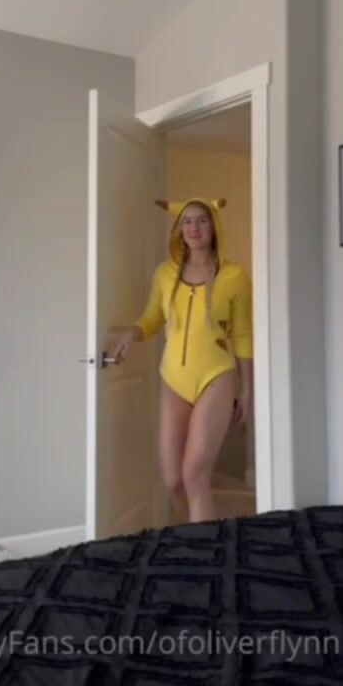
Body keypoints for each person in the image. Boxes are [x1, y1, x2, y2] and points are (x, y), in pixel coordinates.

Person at [109, 197, 254, 523]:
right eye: (187, 221)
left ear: (214, 226)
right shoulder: (165, 273)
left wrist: (246, 389)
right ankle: (209, 531)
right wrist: (132, 333)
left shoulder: (235, 276)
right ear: (179, 229)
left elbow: (243, 334)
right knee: (173, 480)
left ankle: (203, 547)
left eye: (201, 220)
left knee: (194, 474)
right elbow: (151, 319)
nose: (193, 228)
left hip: (216, 376)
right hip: (173, 378)